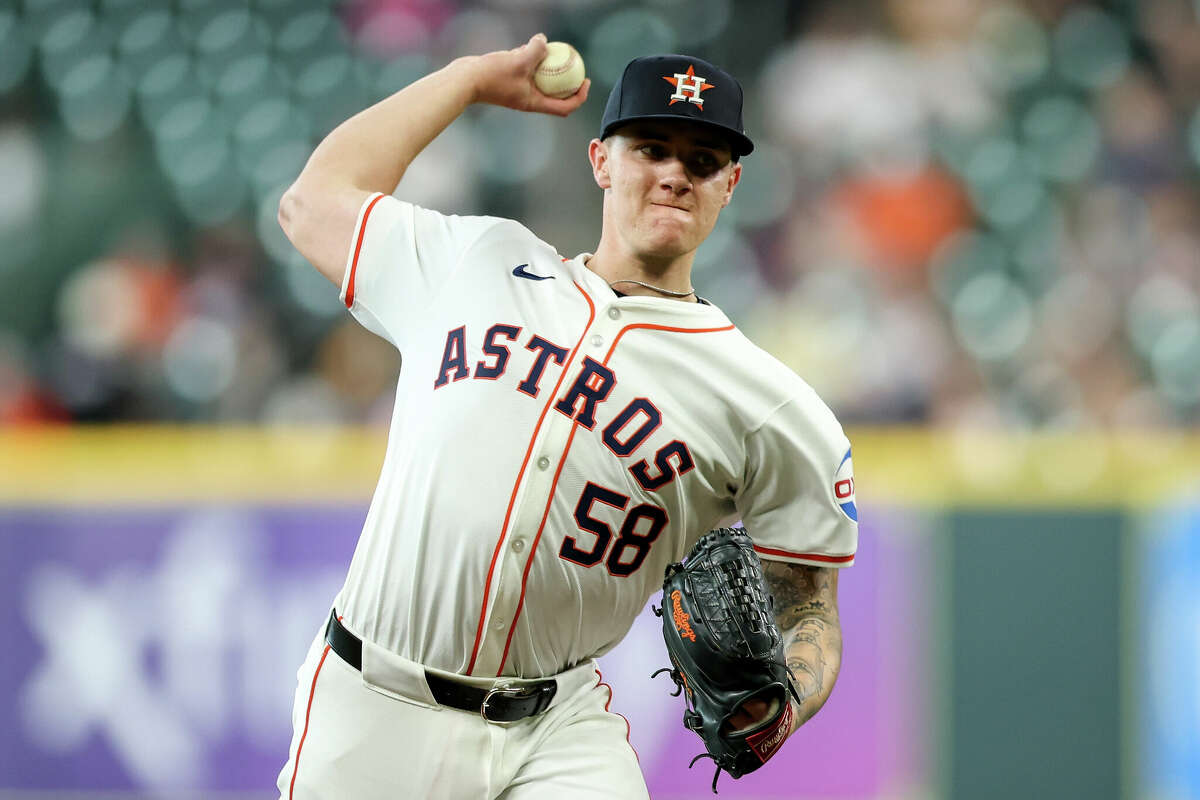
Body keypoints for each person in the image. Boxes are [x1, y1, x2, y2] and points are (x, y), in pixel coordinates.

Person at [275, 34, 857, 799]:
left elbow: (808, 601)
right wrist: (466, 78)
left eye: (704, 161)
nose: (677, 174)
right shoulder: (475, 261)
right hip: (374, 702)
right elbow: (313, 201)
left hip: (558, 727)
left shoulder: (768, 403)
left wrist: (786, 702)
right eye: (652, 147)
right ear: (601, 161)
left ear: (731, 185)